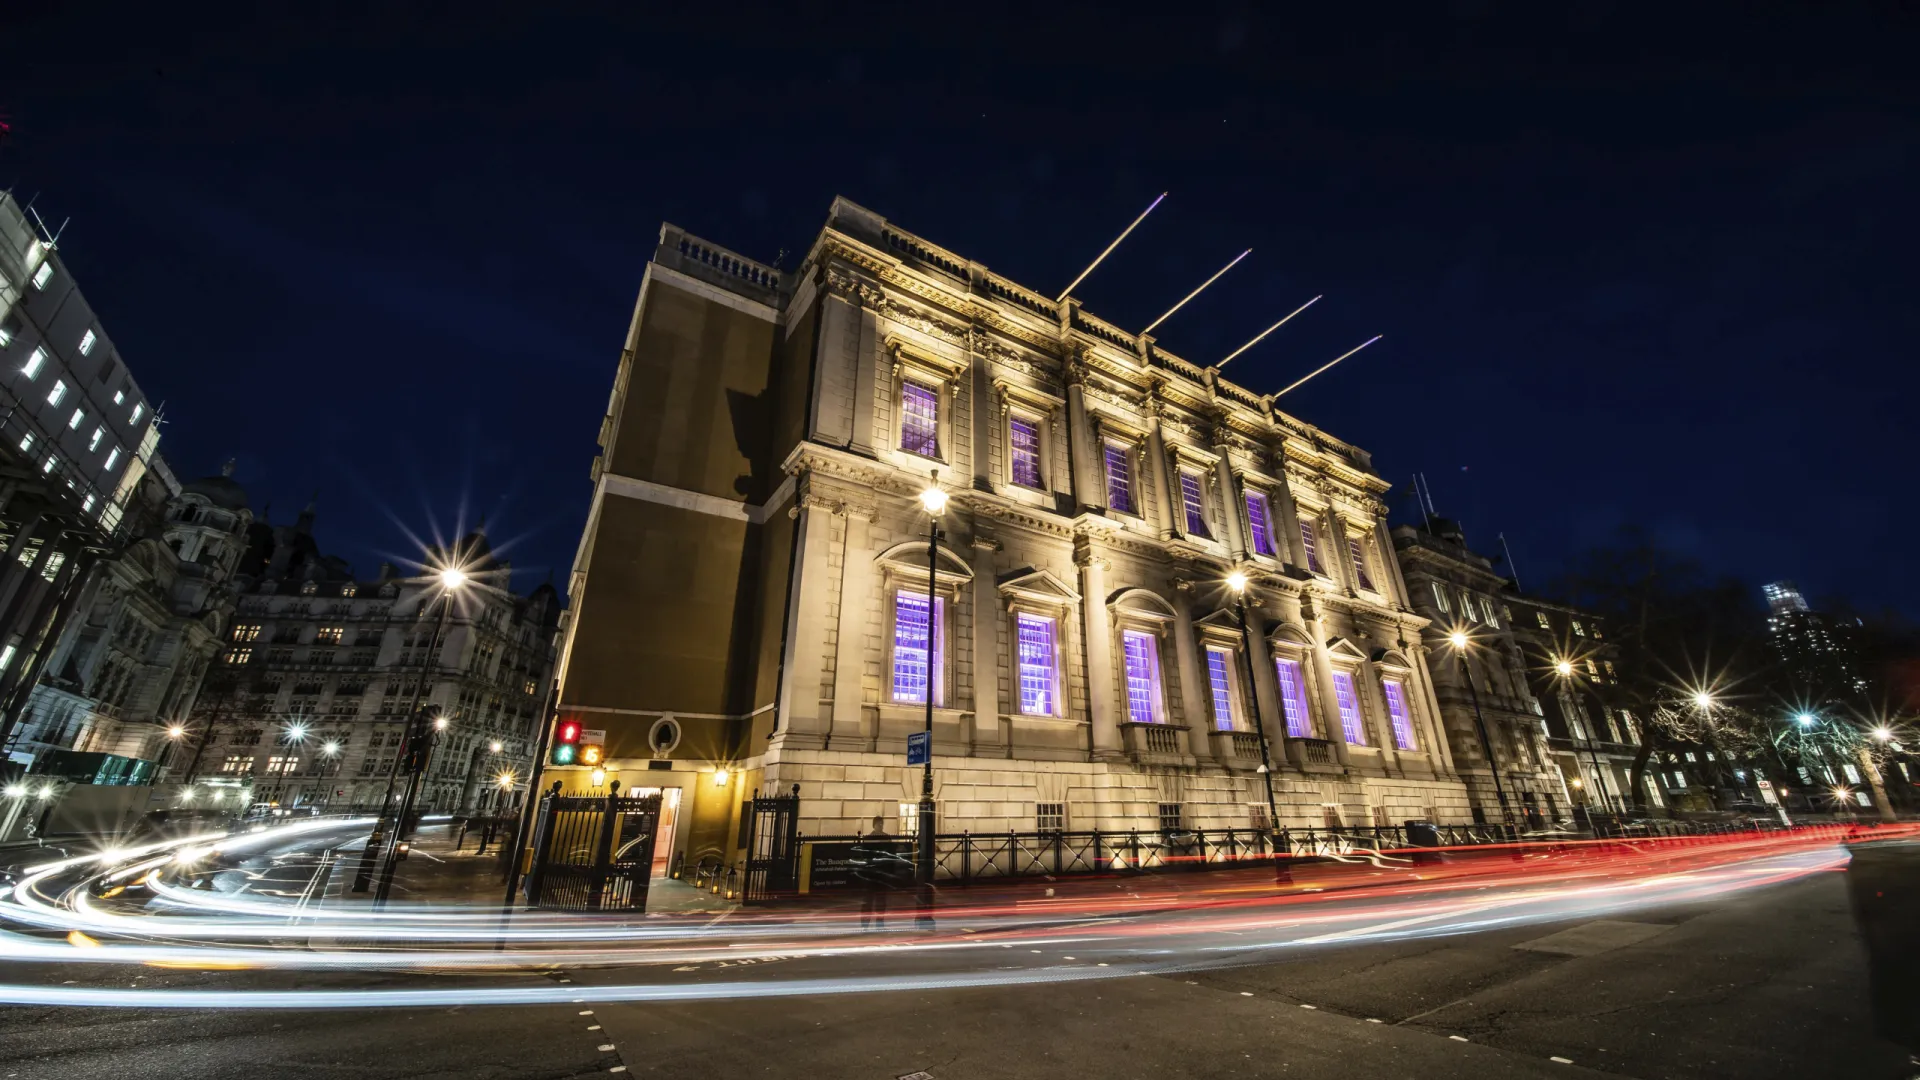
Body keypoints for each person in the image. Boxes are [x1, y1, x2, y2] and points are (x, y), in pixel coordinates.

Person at [857, 814, 891, 930]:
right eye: (879, 824)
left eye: (882, 823)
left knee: (880, 899)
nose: (881, 826)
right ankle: (866, 923)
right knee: (869, 899)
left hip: (880, 872)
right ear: (874, 825)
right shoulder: (868, 839)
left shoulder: (886, 838)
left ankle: (879, 922)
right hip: (873, 873)